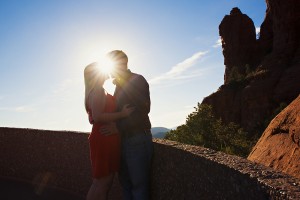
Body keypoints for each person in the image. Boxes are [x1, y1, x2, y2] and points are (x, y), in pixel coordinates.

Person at [105, 50, 153, 200]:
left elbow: (142, 111)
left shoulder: (137, 80)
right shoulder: (119, 85)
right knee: (126, 185)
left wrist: (117, 127)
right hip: (124, 141)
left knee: (138, 187)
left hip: (137, 139)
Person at [84, 62, 134, 200]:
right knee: (102, 183)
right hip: (103, 138)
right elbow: (98, 116)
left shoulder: (97, 90)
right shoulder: (98, 91)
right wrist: (123, 114)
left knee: (102, 182)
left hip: (105, 137)